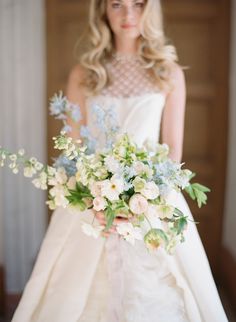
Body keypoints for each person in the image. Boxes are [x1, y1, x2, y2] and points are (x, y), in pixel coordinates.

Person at [12, 0, 228, 321]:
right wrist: (96, 202)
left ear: (150, 8)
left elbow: (172, 152)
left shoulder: (168, 72)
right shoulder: (83, 74)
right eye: (117, 5)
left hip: (151, 201)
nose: (128, 15)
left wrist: (139, 201)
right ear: (102, 11)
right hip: (91, 203)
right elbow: (73, 150)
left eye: (138, 4)